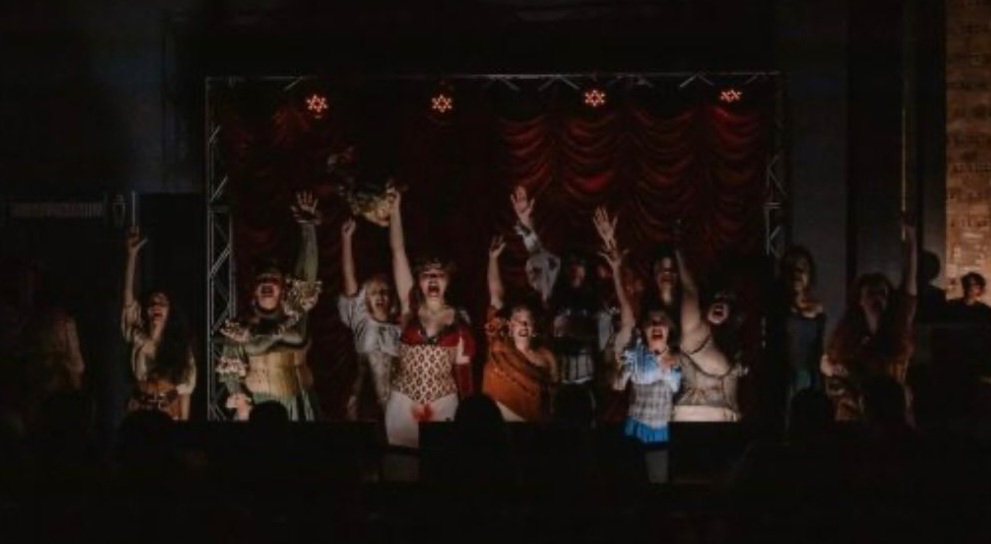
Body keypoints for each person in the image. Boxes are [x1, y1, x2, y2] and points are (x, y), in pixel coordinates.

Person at [217, 191, 323, 421]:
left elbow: (307, 276)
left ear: (283, 287)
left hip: (299, 404)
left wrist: (308, 227)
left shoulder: (295, 311)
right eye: (261, 280)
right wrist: (242, 405)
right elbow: (231, 374)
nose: (267, 284)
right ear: (253, 290)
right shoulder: (239, 326)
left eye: (273, 280)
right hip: (259, 405)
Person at [385, 192, 475, 448]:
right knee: (400, 462)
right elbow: (398, 251)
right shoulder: (409, 309)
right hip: (403, 400)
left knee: (441, 463)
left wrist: (469, 416)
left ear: (448, 279)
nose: (433, 278)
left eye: (439, 273)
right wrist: (395, 210)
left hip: (444, 402)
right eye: (427, 274)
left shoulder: (460, 319)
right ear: (419, 280)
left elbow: (464, 372)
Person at [597, 210, 682, 444]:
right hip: (637, 424)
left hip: (665, 426)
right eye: (662, 270)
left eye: (671, 270)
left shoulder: (681, 314)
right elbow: (627, 309)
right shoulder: (638, 345)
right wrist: (615, 260)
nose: (667, 275)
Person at [821, 223, 917, 421]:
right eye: (871, 293)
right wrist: (830, 367)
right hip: (856, 411)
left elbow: (909, 287)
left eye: (882, 293)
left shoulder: (896, 329)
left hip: (892, 411)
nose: (877, 298)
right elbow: (829, 362)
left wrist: (911, 240)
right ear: (860, 300)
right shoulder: (847, 334)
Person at [121, 227, 197, 421]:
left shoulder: (180, 346)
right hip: (140, 409)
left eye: (162, 303)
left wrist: (184, 427)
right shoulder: (138, 336)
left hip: (168, 412)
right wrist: (132, 256)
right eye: (152, 303)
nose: (156, 305)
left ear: (169, 311)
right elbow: (128, 304)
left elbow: (186, 389)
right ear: (146, 311)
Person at [0, 257, 85, 429]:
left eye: (31, 279)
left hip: (53, 400)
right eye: (23, 279)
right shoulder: (11, 318)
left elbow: (77, 367)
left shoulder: (59, 320)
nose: (27, 285)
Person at [481, 235, 558, 422]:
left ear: (534, 327)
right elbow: (496, 295)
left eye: (527, 321)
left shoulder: (547, 357)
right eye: (518, 320)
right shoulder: (499, 346)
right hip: (499, 425)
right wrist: (493, 259)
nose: (523, 325)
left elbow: (554, 397)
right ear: (509, 325)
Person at [672, 248, 747, 422]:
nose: (720, 304)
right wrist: (678, 252)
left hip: (723, 418)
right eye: (716, 300)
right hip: (691, 416)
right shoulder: (694, 328)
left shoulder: (730, 343)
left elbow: (733, 398)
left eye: (725, 301)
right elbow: (690, 289)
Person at [338, 217, 401, 420]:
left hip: (397, 398)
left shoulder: (400, 326)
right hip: (365, 398)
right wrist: (346, 239)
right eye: (374, 292)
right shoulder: (361, 319)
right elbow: (349, 279)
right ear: (366, 297)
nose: (380, 296)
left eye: (384, 291)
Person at [768, 245, 826, 428]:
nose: (797, 273)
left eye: (802, 268)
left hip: (809, 373)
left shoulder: (818, 309)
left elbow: (820, 346)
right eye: (791, 268)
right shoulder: (774, 307)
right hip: (782, 374)